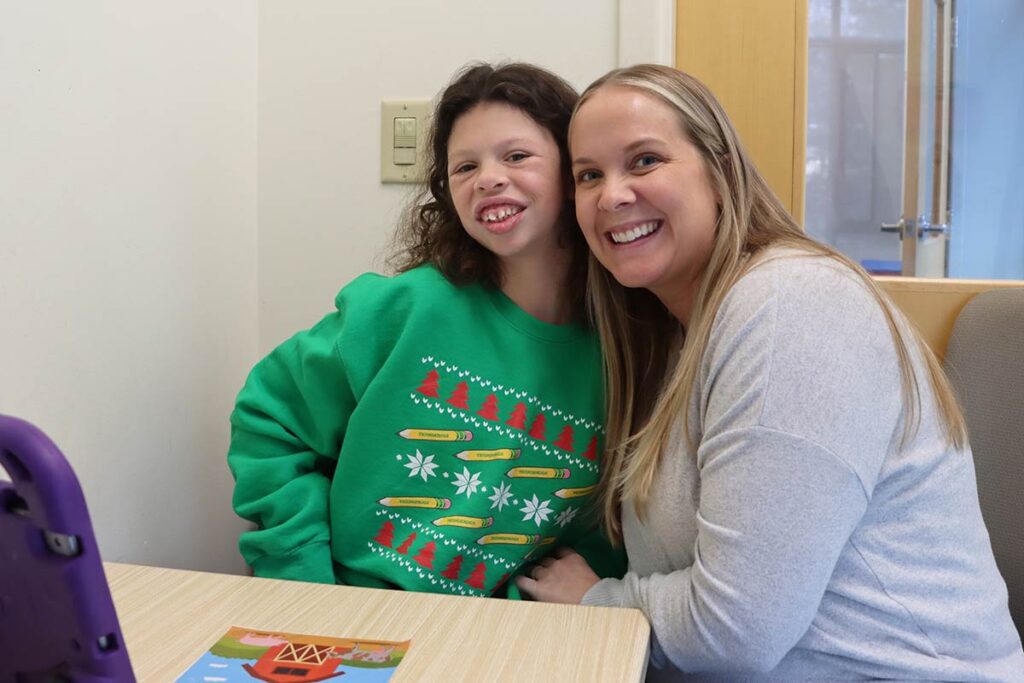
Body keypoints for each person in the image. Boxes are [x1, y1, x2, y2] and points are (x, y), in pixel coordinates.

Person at [517, 64, 1024, 680]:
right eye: (588, 176)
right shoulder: (675, 330)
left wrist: (598, 602)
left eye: (645, 161)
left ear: (720, 168)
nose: (612, 195)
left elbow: (736, 632)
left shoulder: (791, 306)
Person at [227, 62, 623, 598]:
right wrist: (300, 575)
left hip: (502, 639)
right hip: (346, 613)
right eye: (464, 167)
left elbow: (609, 526)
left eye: (517, 156)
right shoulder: (400, 309)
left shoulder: (625, 351)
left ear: (576, 174)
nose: (487, 178)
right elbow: (268, 419)